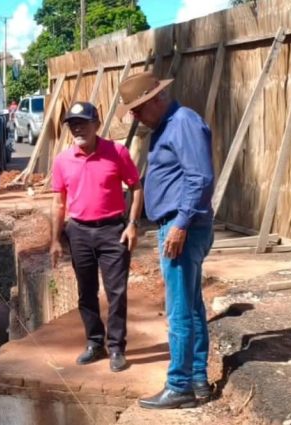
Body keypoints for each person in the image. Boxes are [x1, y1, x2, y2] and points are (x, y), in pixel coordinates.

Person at [117, 72, 215, 409]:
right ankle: (197, 379)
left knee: (179, 311)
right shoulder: (166, 126)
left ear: (156, 98)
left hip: (181, 225)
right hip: (179, 223)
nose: (135, 116)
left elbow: (200, 177)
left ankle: (179, 385)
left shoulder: (183, 122)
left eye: (138, 109)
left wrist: (181, 224)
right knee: (191, 305)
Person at [49, 101, 143, 373]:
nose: (77, 128)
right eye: (73, 124)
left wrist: (132, 224)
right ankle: (94, 342)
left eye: (83, 123)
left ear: (97, 124)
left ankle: (116, 348)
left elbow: (136, 187)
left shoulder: (117, 152)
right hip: (78, 232)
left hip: (113, 231)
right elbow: (58, 202)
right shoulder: (62, 160)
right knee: (86, 291)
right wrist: (55, 239)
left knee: (116, 292)